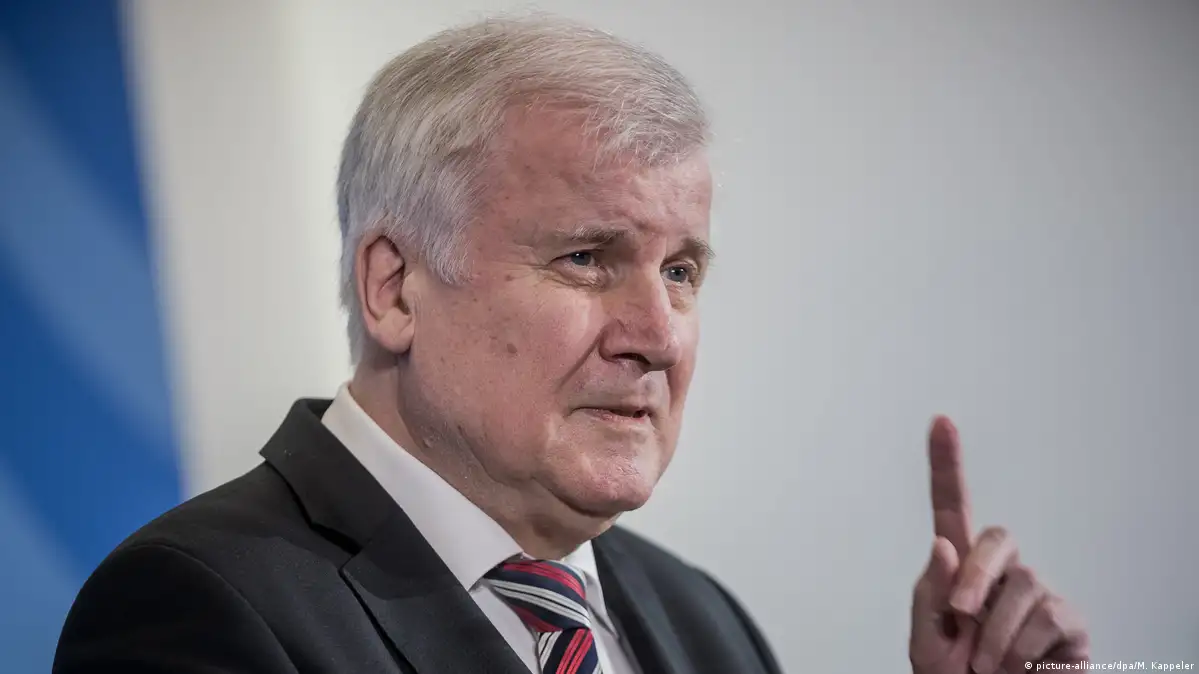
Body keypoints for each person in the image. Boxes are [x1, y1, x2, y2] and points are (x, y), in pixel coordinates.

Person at [53, 14, 1090, 674]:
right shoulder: (197, 607)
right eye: (588, 258)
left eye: (680, 270)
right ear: (394, 287)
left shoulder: (702, 623)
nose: (657, 337)